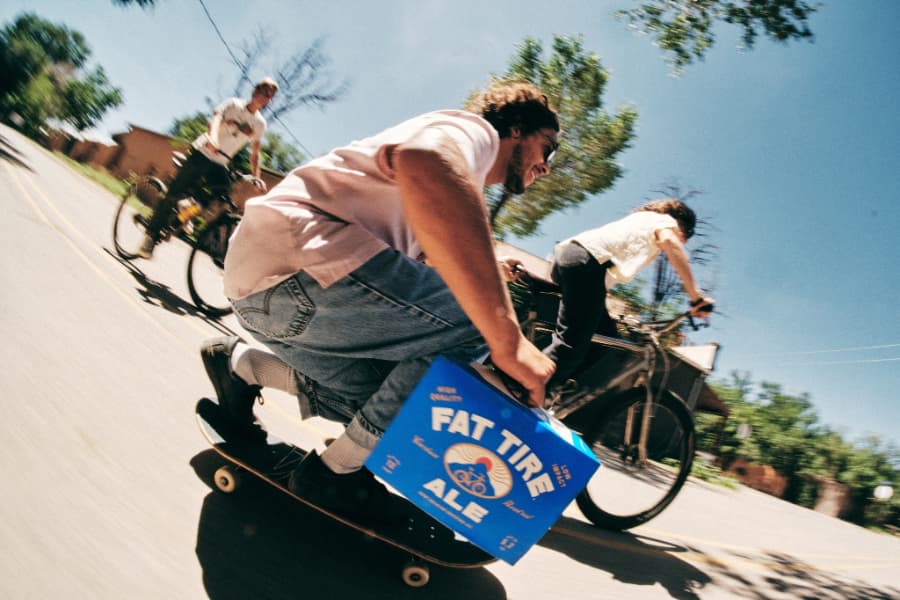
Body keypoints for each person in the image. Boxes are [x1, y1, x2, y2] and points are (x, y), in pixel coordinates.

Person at [200, 80, 560, 520]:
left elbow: (416, 282)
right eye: (549, 149)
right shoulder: (477, 134)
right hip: (298, 265)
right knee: (476, 322)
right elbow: (427, 160)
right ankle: (334, 474)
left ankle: (241, 367)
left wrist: (481, 274)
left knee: (399, 401)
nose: (547, 167)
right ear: (518, 130)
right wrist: (508, 339)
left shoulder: (451, 189)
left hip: (267, 296)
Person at [503, 198, 714, 388]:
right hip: (586, 262)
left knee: (605, 337)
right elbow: (671, 242)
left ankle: (556, 388)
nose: (682, 242)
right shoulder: (665, 222)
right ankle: (521, 389)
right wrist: (695, 296)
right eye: (684, 237)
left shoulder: (642, 219)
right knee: (570, 346)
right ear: (681, 225)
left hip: (571, 259)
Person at [138, 77, 278, 258]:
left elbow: (255, 153)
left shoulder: (259, 124)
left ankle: (185, 212)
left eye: (270, 95)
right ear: (255, 91)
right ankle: (150, 237)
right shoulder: (234, 104)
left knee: (221, 194)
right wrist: (213, 139)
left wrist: (256, 176)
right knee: (174, 193)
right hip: (202, 153)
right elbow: (215, 120)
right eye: (264, 91)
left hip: (220, 163)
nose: (266, 96)